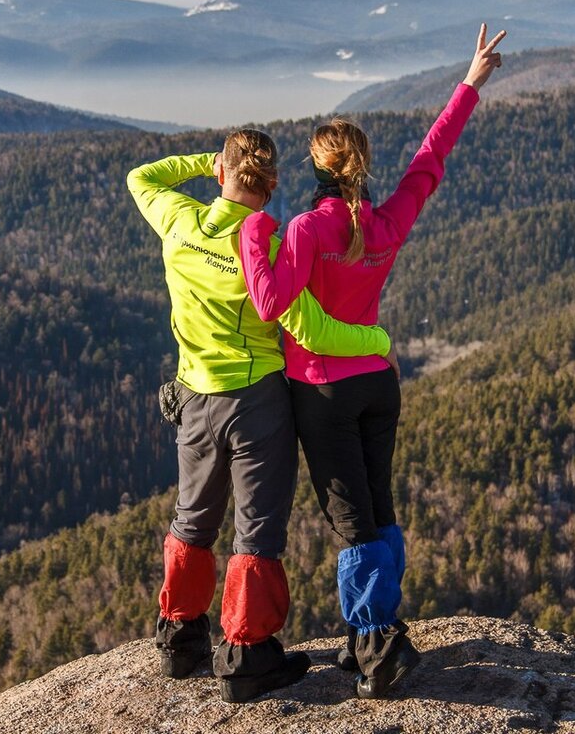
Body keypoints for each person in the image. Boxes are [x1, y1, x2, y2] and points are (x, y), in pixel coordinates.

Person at [237, 23, 507, 699]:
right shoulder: (384, 225)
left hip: (321, 391)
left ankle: (377, 644)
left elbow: (270, 305)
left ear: (319, 168)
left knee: (351, 520)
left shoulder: (304, 229)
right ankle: (378, 633)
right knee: (378, 508)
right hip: (377, 388)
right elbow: (429, 161)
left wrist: (249, 232)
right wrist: (469, 84)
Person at [126, 129, 395, 703]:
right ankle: (248, 656)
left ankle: (180, 638)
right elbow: (311, 329)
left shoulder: (178, 220)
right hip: (258, 405)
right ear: (273, 187)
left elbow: (141, 177)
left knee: (191, 518)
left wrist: (213, 164)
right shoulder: (268, 252)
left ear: (222, 174)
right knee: (257, 531)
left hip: (195, 397)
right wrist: (375, 339)